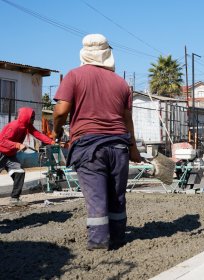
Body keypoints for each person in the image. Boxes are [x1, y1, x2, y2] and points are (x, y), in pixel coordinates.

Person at [53, 33, 141, 250]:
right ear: (108, 53)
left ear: (84, 53)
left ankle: (99, 243)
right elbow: (127, 120)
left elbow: (61, 110)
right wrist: (133, 150)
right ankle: (119, 238)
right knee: (116, 196)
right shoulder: (121, 83)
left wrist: (57, 130)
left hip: (89, 146)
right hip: (119, 146)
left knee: (96, 197)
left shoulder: (74, 76)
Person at [0, 107, 54, 205]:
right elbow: (2, 141)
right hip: (1, 153)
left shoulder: (27, 126)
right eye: (32, 118)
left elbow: (37, 134)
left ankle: (14, 199)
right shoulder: (14, 126)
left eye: (33, 117)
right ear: (26, 117)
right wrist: (18, 145)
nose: (33, 120)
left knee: (20, 172)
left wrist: (51, 142)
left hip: (10, 155)